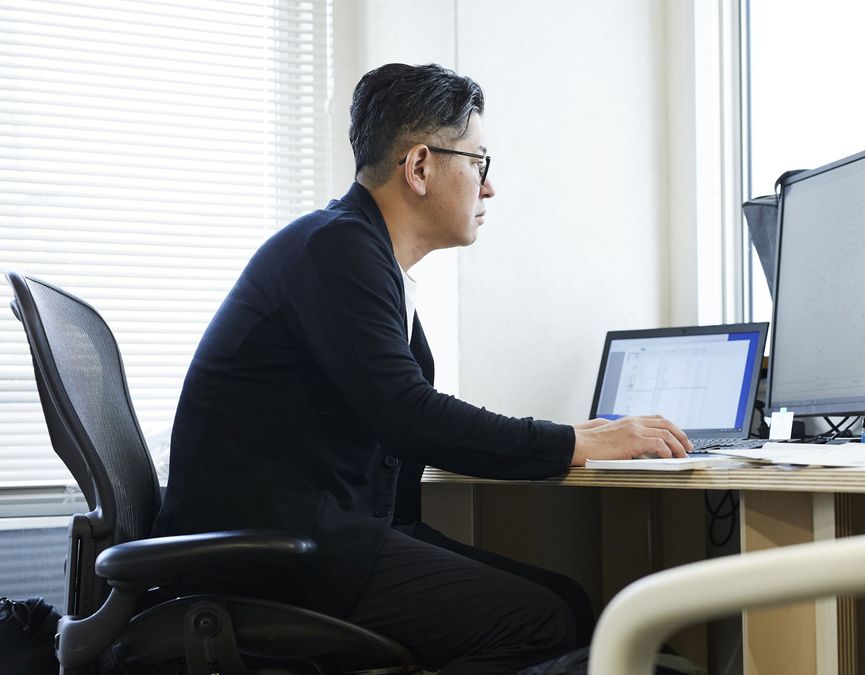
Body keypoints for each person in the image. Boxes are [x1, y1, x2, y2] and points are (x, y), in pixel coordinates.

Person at [151, 63, 692, 674]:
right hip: (277, 557)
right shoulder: (338, 249)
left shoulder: (356, 252)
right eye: (479, 163)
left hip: (308, 538)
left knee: (570, 604)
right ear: (420, 166)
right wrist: (572, 440)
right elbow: (408, 416)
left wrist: (575, 440)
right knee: (544, 622)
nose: (489, 189)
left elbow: (400, 414)